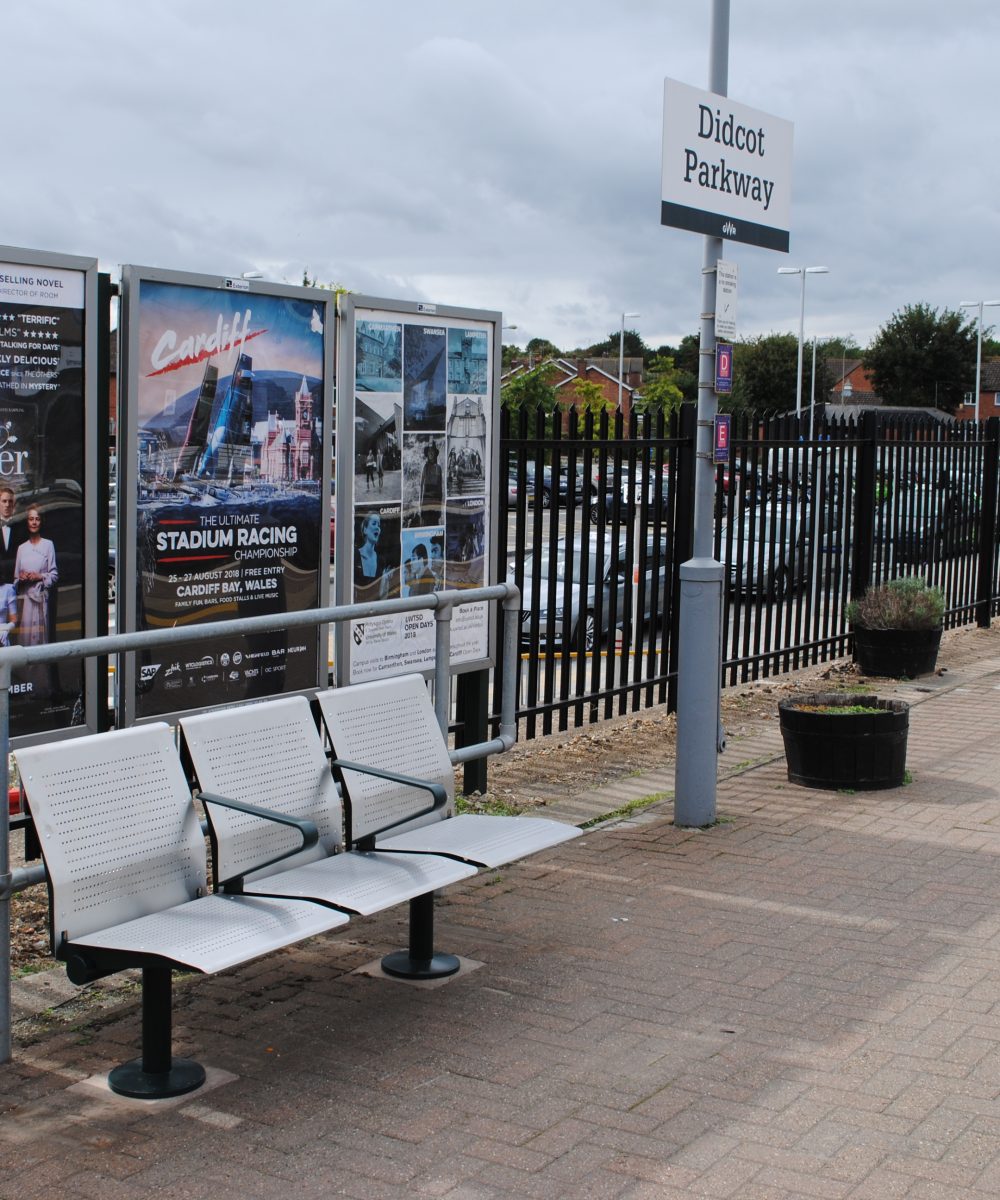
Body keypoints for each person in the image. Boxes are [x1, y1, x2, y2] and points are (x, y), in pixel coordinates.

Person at [15, 506, 58, 648]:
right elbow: (15, 580)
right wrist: (21, 578)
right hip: (26, 603)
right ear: (27, 522)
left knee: (41, 641)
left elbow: (54, 575)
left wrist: (39, 576)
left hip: (41, 602)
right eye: (31, 519)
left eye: (37, 519)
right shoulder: (21, 548)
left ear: (41, 522)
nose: (34, 522)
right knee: (26, 642)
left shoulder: (48, 545)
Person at [353, 512, 389, 599]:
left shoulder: (381, 560)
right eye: (374, 523)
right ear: (365, 529)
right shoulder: (355, 556)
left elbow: (383, 595)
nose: (377, 527)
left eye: (379, 525)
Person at [420, 443, 443, 520]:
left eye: (432, 451)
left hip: (436, 501)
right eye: (429, 451)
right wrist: (421, 504)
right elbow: (422, 486)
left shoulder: (439, 468)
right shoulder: (425, 467)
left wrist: (440, 504)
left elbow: (440, 487)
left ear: (435, 454)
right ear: (427, 454)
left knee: (435, 520)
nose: (431, 453)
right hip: (426, 501)